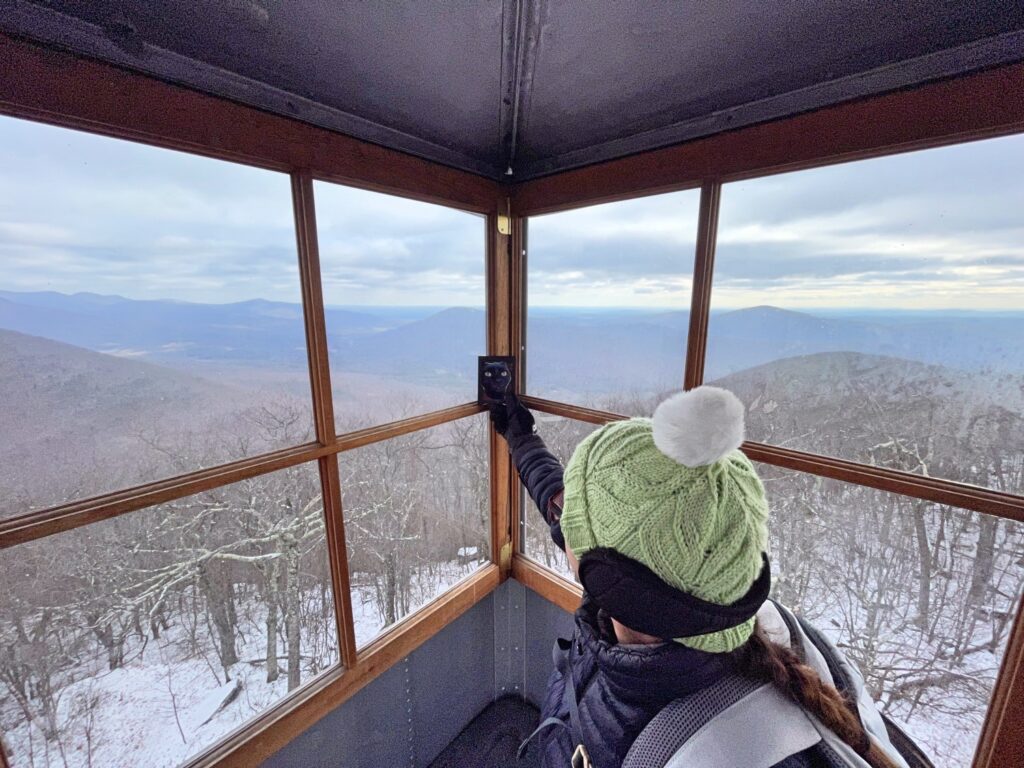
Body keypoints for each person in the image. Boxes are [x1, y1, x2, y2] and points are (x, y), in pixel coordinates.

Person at [490, 386, 919, 768]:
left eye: (579, 523)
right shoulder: (713, 596)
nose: (565, 522)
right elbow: (561, 502)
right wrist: (521, 437)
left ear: (611, 580)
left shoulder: (694, 746)